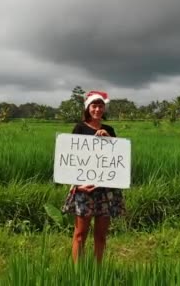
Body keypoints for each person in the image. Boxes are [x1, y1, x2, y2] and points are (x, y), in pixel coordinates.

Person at [61, 90, 126, 263]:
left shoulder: (109, 129)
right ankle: (77, 273)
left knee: (101, 235)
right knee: (80, 234)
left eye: (100, 106)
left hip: (105, 190)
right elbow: (71, 159)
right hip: (84, 189)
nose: (97, 109)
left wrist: (109, 139)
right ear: (88, 108)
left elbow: (117, 157)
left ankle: (98, 272)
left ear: (104, 108)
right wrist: (77, 185)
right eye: (94, 106)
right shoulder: (80, 128)